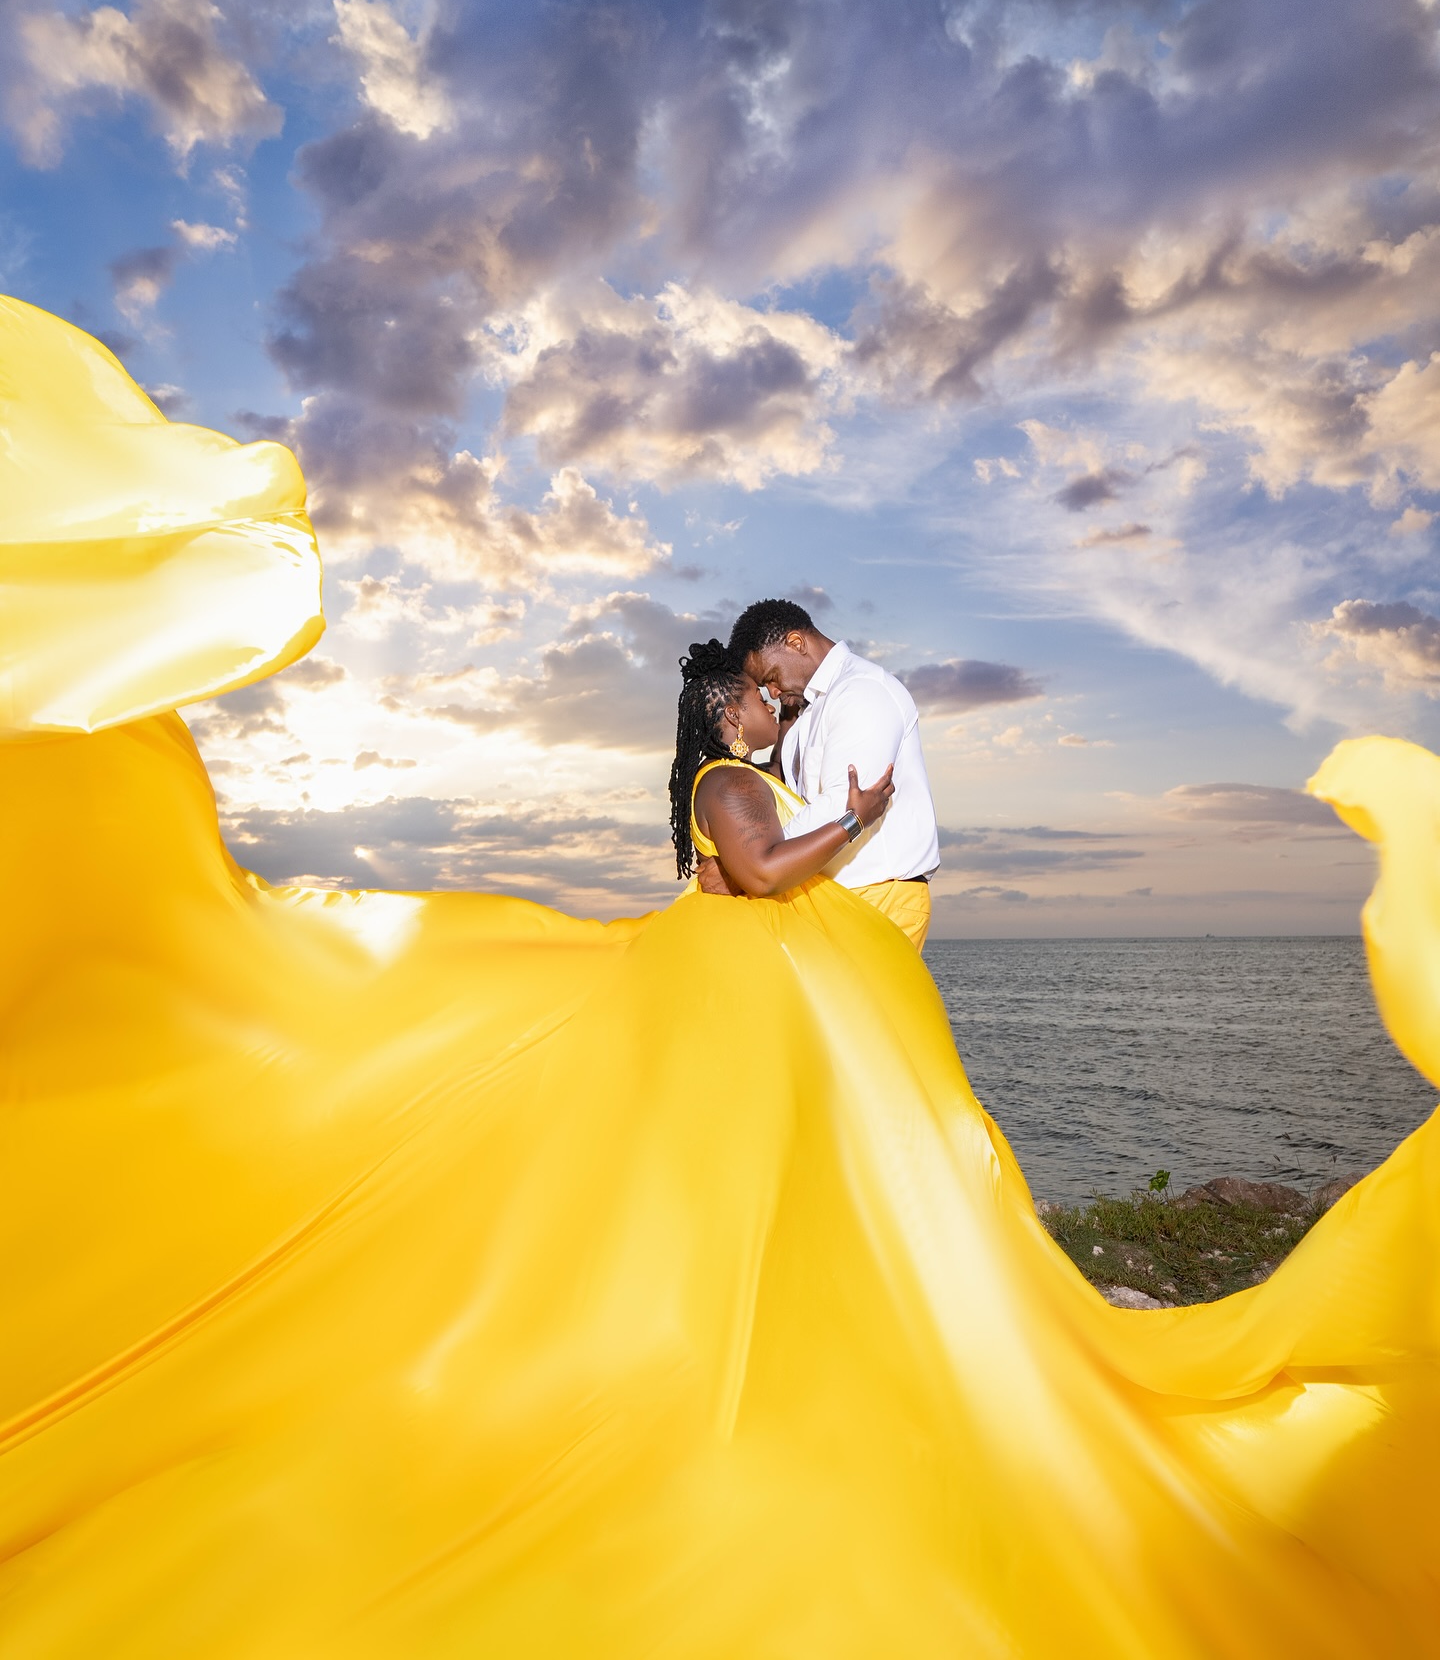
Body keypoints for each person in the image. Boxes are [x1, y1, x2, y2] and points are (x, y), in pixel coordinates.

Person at [9, 294, 1440, 1656]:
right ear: (726, 703)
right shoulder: (726, 779)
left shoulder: (752, 765)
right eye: (761, 688)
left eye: (777, 687)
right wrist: (859, 825)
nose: (778, 695)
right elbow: (759, 873)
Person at [728, 598, 940, 951]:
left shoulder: (863, 690)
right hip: (830, 899)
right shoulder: (807, 714)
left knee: (868, 1009)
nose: (774, 693)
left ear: (796, 644)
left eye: (771, 678)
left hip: (880, 897)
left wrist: (752, 864)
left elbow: (843, 802)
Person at [667, 639, 894, 898]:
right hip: (760, 928)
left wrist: (790, 698)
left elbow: (780, 766)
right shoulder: (732, 782)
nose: (771, 705)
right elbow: (764, 874)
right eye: (760, 698)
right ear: (733, 714)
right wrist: (854, 821)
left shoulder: (734, 774)